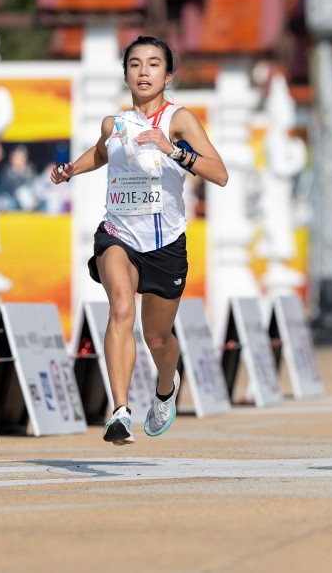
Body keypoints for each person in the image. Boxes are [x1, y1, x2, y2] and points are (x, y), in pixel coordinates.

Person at [51, 36, 228, 445]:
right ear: (126, 73)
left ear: (168, 75)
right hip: (118, 233)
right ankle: (120, 412)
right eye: (135, 64)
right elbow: (100, 153)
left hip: (166, 245)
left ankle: (166, 386)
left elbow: (219, 174)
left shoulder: (179, 120)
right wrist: (70, 170)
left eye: (153, 64)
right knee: (121, 307)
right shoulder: (114, 124)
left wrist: (173, 150)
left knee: (158, 339)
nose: (143, 71)